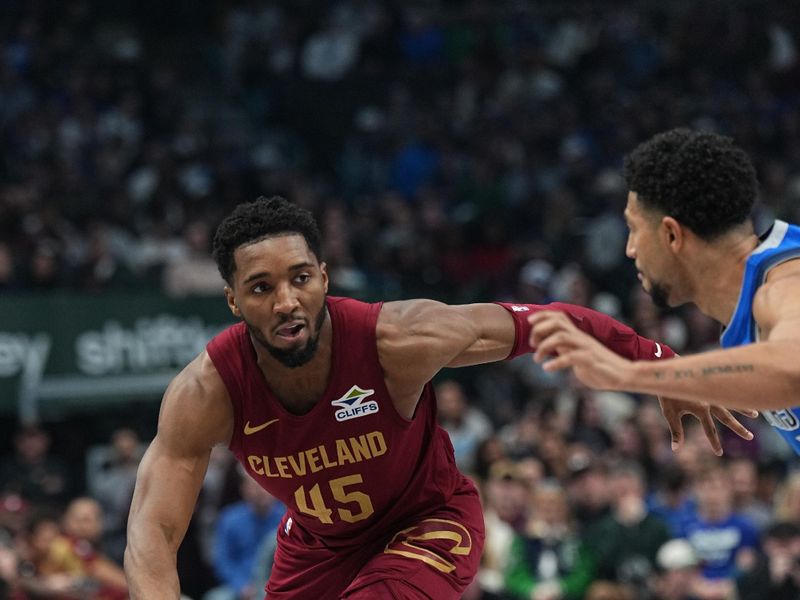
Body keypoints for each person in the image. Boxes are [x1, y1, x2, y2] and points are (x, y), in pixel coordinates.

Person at [124, 196, 747, 600]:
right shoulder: (207, 391)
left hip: (427, 520)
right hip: (318, 545)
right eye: (261, 288)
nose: (286, 301)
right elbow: (154, 529)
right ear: (233, 301)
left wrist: (662, 363)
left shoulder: (397, 338)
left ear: (324, 277)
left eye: (300, 278)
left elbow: (546, 322)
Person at [530, 127, 797, 454]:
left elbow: (791, 367)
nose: (629, 250)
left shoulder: (785, 282)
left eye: (634, 230)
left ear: (671, 234)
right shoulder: (750, 306)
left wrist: (634, 374)